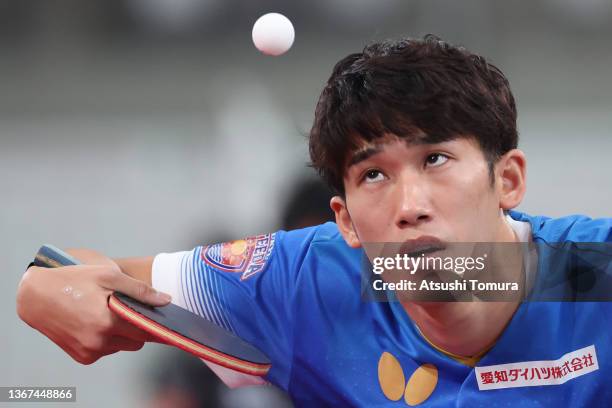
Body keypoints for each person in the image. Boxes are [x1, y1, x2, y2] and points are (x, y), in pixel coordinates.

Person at [16, 35, 611, 406]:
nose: (410, 206)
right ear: (346, 221)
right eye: (374, 175)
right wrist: (44, 290)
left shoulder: (591, 275)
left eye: (436, 159)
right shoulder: (307, 285)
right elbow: (64, 275)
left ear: (506, 179)